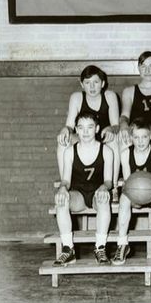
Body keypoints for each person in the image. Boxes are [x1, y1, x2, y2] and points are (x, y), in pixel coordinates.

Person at [54, 111, 114, 266]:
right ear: (76, 129)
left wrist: (103, 188)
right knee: (61, 200)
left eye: (89, 127)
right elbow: (66, 180)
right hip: (78, 195)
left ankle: (100, 247)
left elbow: (108, 181)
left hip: (96, 193)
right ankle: (68, 249)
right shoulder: (70, 151)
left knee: (103, 200)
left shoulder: (106, 151)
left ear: (97, 128)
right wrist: (62, 188)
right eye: (81, 128)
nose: (85, 132)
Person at [114, 118, 151, 265]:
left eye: (144, 137)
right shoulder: (126, 153)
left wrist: (150, 189)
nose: (140, 141)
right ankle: (122, 244)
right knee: (124, 199)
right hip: (135, 194)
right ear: (131, 138)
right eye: (136, 137)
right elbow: (127, 183)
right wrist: (138, 191)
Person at [56, 65, 120, 186]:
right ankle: (65, 184)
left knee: (114, 141)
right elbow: (69, 126)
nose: (92, 87)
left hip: (103, 138)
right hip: (83, 138)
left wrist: (111, 128)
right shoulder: (76, 97)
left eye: (95, 82)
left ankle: (114, 186)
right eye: (87, 82)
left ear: (102, 83)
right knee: (63, 141)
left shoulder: (110, 96)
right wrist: (65, 130)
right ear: (82, 84)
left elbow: (116, 125)